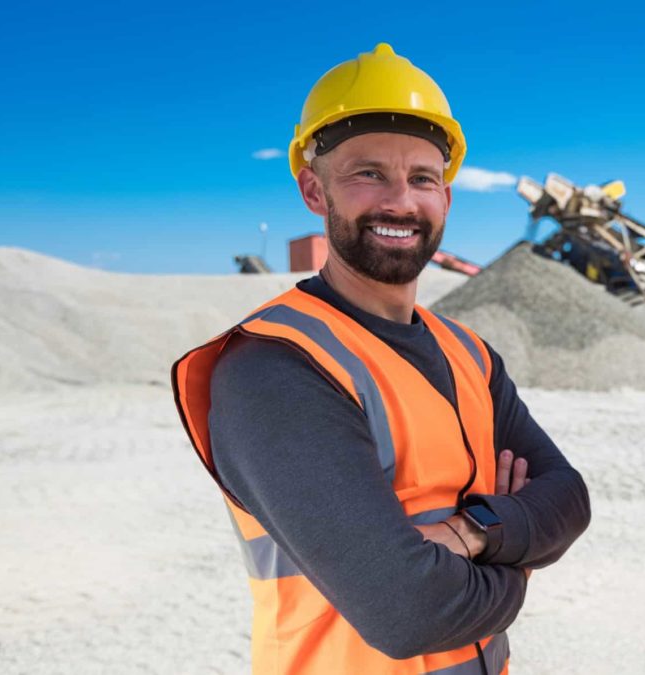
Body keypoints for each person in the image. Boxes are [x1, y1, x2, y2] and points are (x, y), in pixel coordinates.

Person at [172, 43, 589, 674]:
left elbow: (570, 498)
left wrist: (471, 534)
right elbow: (408, 611)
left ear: (446, 198)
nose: (400, 201)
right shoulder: (275, 367)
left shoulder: (469, 354)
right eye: (368, 174)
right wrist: (521, 560)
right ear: (315, 190)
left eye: (423, 178)